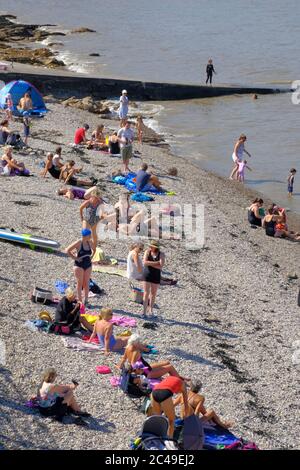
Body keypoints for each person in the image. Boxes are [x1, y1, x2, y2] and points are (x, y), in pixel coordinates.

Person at [118, 334, 184, 380]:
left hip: (146, 367)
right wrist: (139, 374)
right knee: (170, 367)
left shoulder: (127, 348)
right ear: (136, 343)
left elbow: (124, 358)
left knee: (167, 362)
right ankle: (180, 380)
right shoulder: (136, 351)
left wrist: (120, 366)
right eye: (139, 342)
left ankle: (177, 376)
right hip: (147, 373)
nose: (140, 343)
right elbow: (133, 364)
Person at [66, 228, 94, 306]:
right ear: (85, 236)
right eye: (89, 235)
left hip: (88, 264)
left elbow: (94, 250)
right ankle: (80, 301)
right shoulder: (78, 242)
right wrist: (76, 258)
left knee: (87, 282)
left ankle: (86, 300)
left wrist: (91, 257)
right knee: (80, 283)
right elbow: (67, 250)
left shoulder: (89, 242)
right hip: (79, 265)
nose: (90, 236)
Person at [143, 240, 165, 316]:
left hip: (156, 275)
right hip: (147, 274)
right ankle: (144, 311)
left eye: (152, 246)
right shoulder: (147, 252)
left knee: (153, 294)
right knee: (146, 293)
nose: (150, 247)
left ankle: (151, 310)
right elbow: (145, 262)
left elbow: (161, 265)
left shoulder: (161, 254)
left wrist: (149, 263)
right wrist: (156, 263)